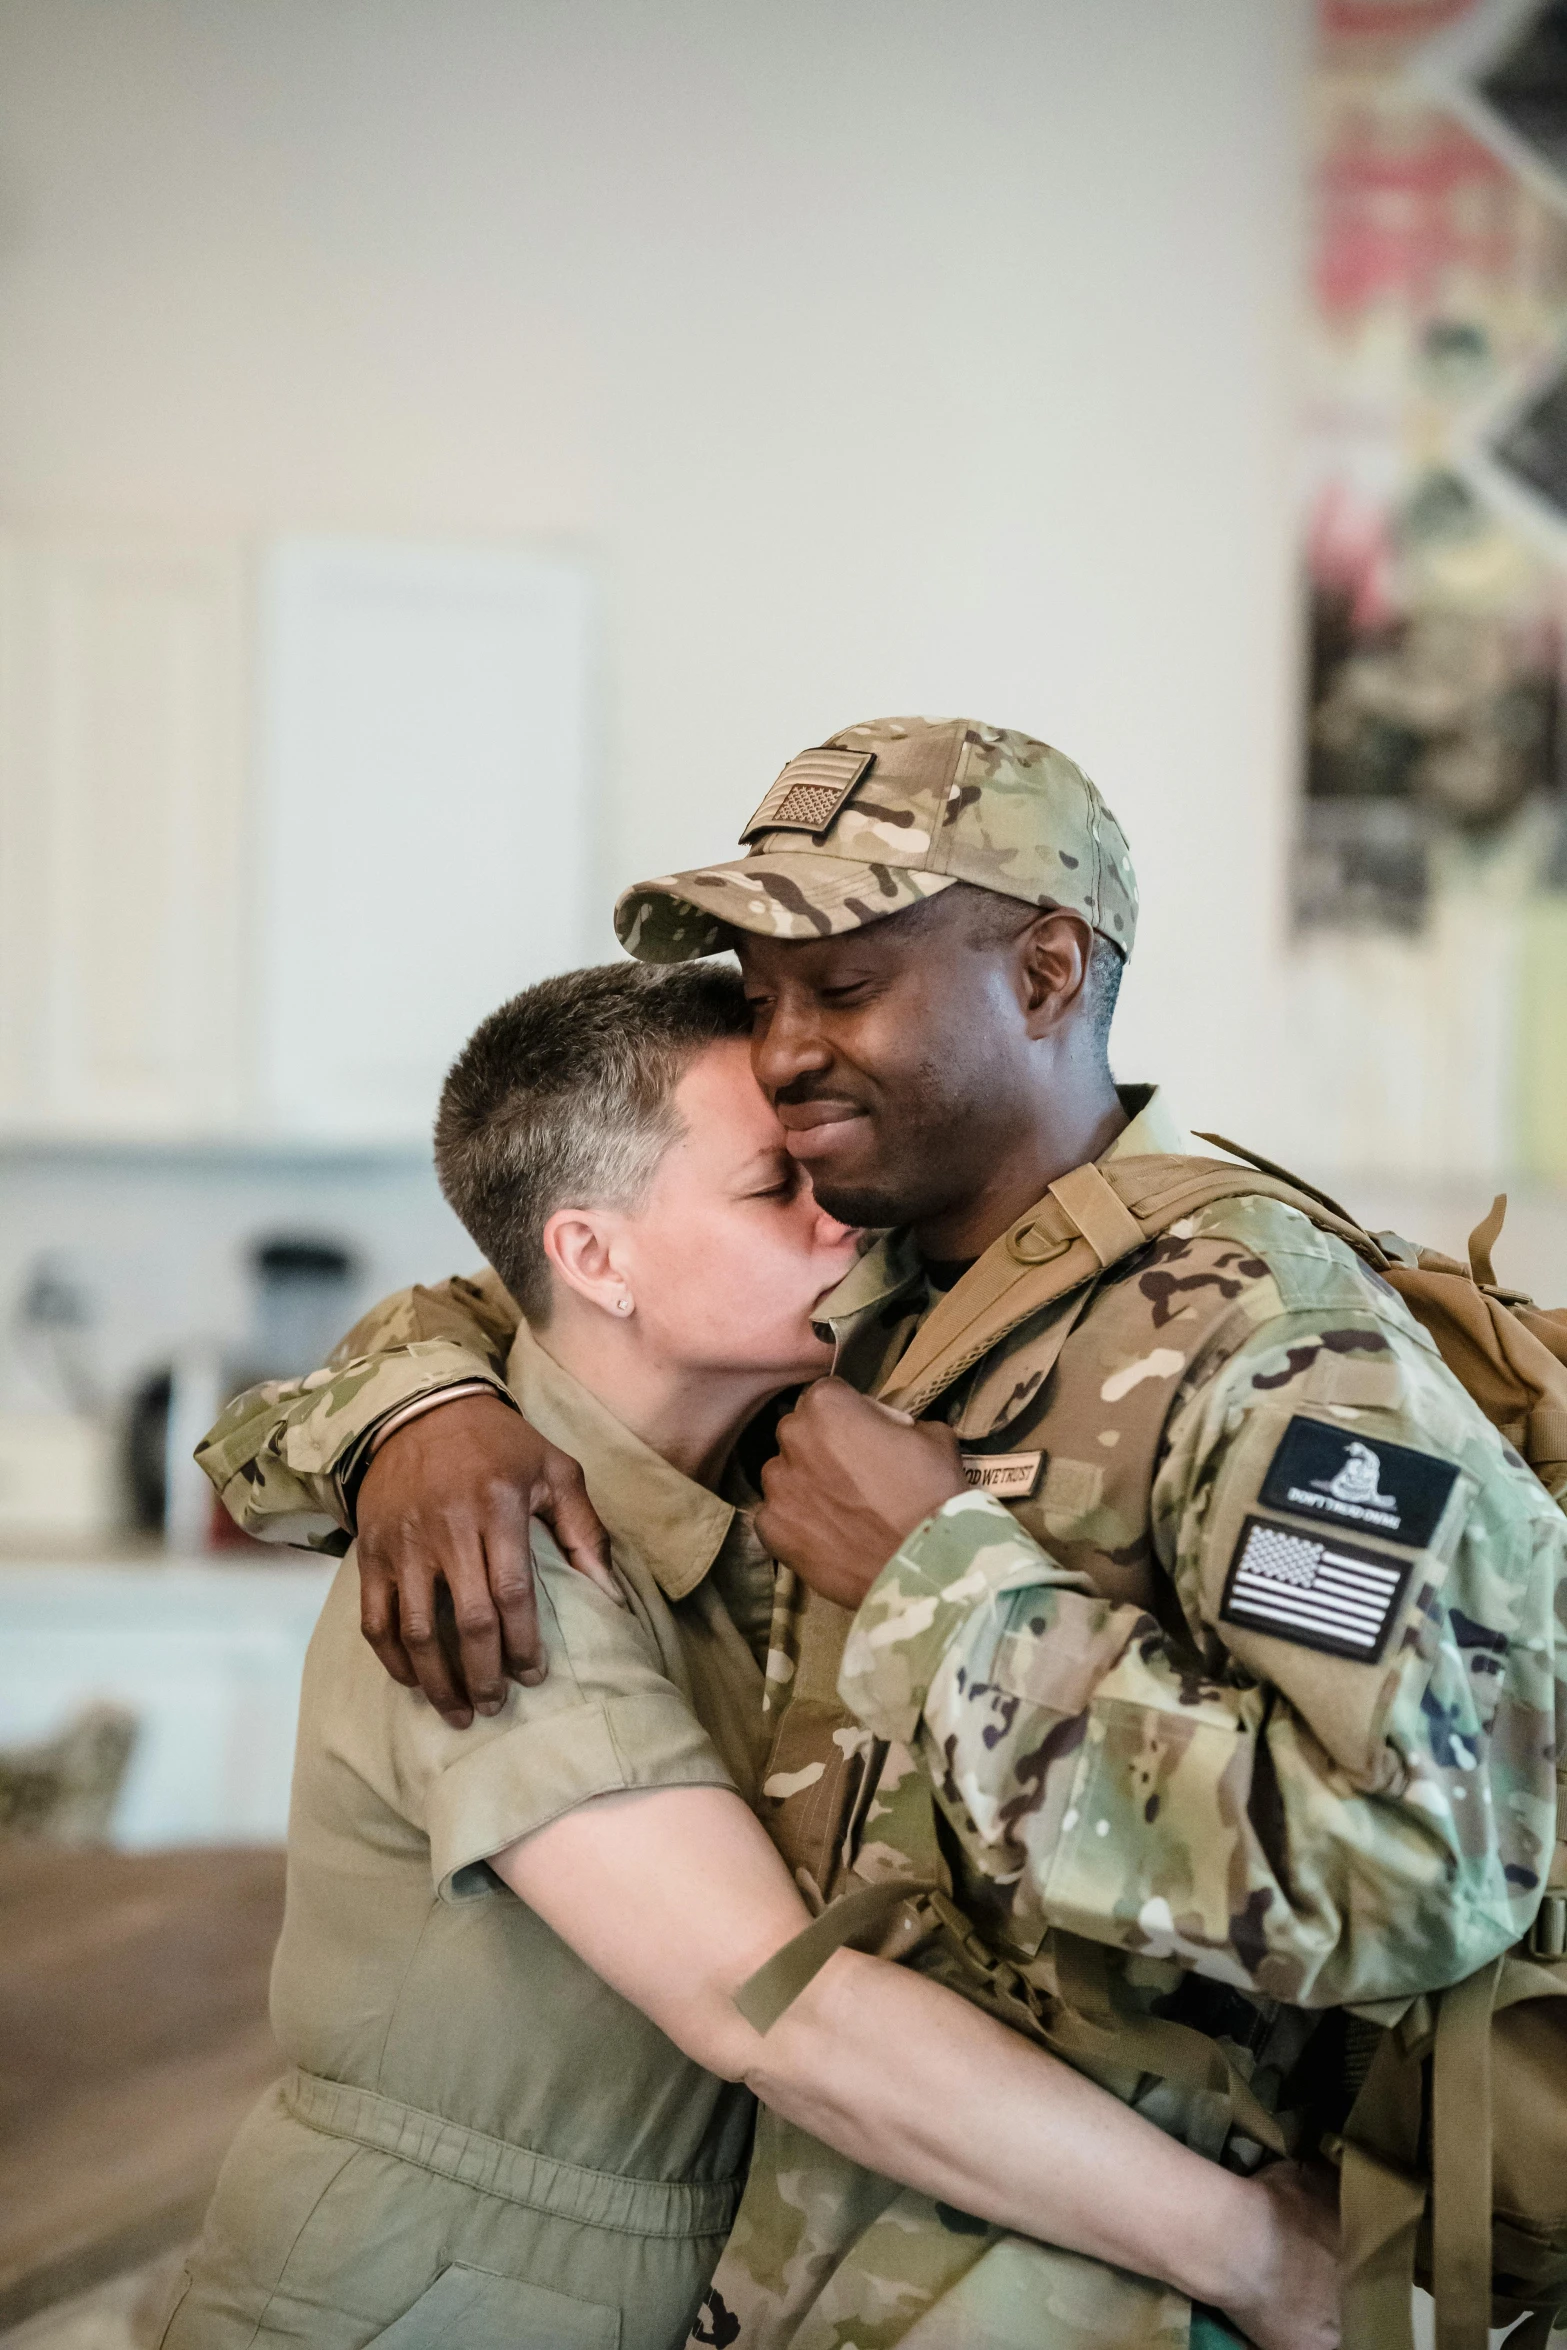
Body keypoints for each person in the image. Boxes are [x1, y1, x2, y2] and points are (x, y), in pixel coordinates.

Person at [201, 715, 1564, 2345]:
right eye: (764, 996)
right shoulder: (888, 1301)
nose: (784, 1050)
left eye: (840, 990)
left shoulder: (1263, 1343)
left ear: (1046, 974)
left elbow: (1425, 1866)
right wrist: (418, 1406)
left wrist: (945, 1586)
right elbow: (532, 1298)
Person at [171, 961, 1334, 2350]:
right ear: (594, 1256)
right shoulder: (492, 1554)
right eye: (771, 1186)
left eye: (828, 1169)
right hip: (413, 2299)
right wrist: (1254, 2251)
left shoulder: (774, 1498)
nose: (839, 1220)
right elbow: (778, 2009)